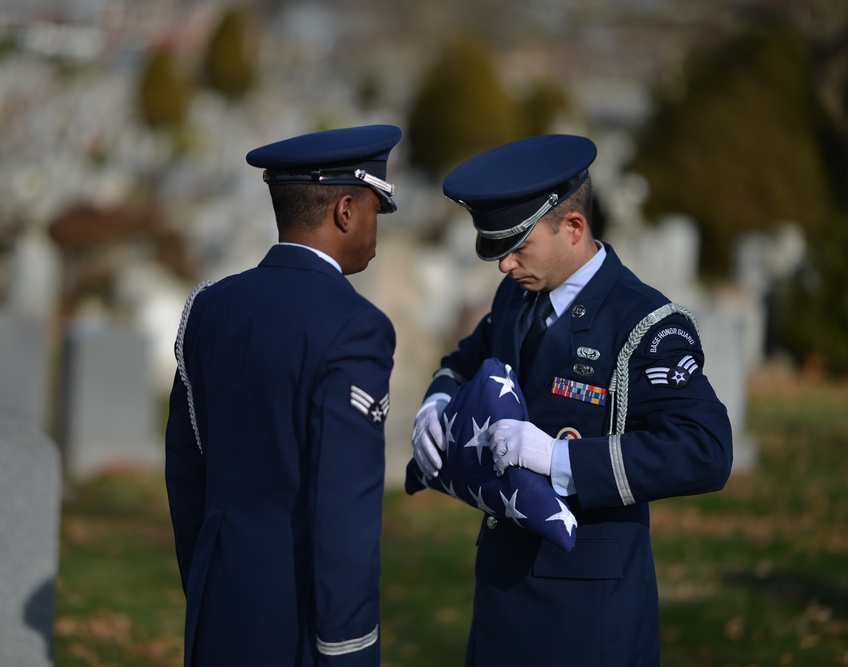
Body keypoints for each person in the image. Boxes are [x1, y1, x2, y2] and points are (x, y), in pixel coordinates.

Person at [410, 134, 733, 666]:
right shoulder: (517, 296)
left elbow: (705, 448)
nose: (504, 265)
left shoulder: (644, 322)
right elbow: (467, 359)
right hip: (499, 592)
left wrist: (559, 460)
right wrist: (435, 401)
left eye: (517, 247)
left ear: (574, 228)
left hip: (586, 611)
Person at [166, 124, 402, 666]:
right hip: (302, 623)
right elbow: (344, 510)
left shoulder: (209, 307)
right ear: (345, 210)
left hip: (220, 608)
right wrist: (348, 648)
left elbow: (185, 472)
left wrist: (207, 584)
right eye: (373, 209)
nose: (374, 228)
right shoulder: (356, 327)